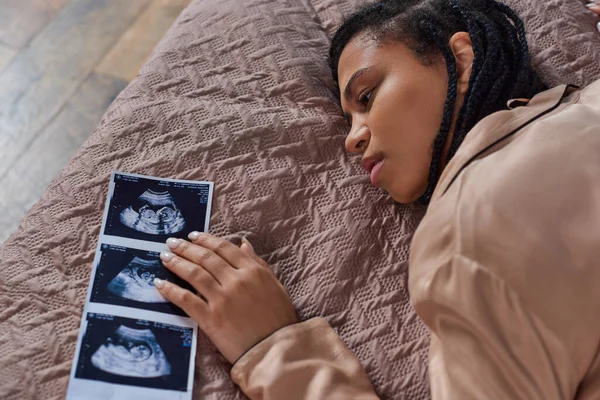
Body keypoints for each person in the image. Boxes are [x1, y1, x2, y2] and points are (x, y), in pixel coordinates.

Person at [152, 0, 600, 398]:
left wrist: (274, 348)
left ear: (461, 60)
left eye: (366, 96)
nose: (352, 140)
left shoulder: (469, 235)